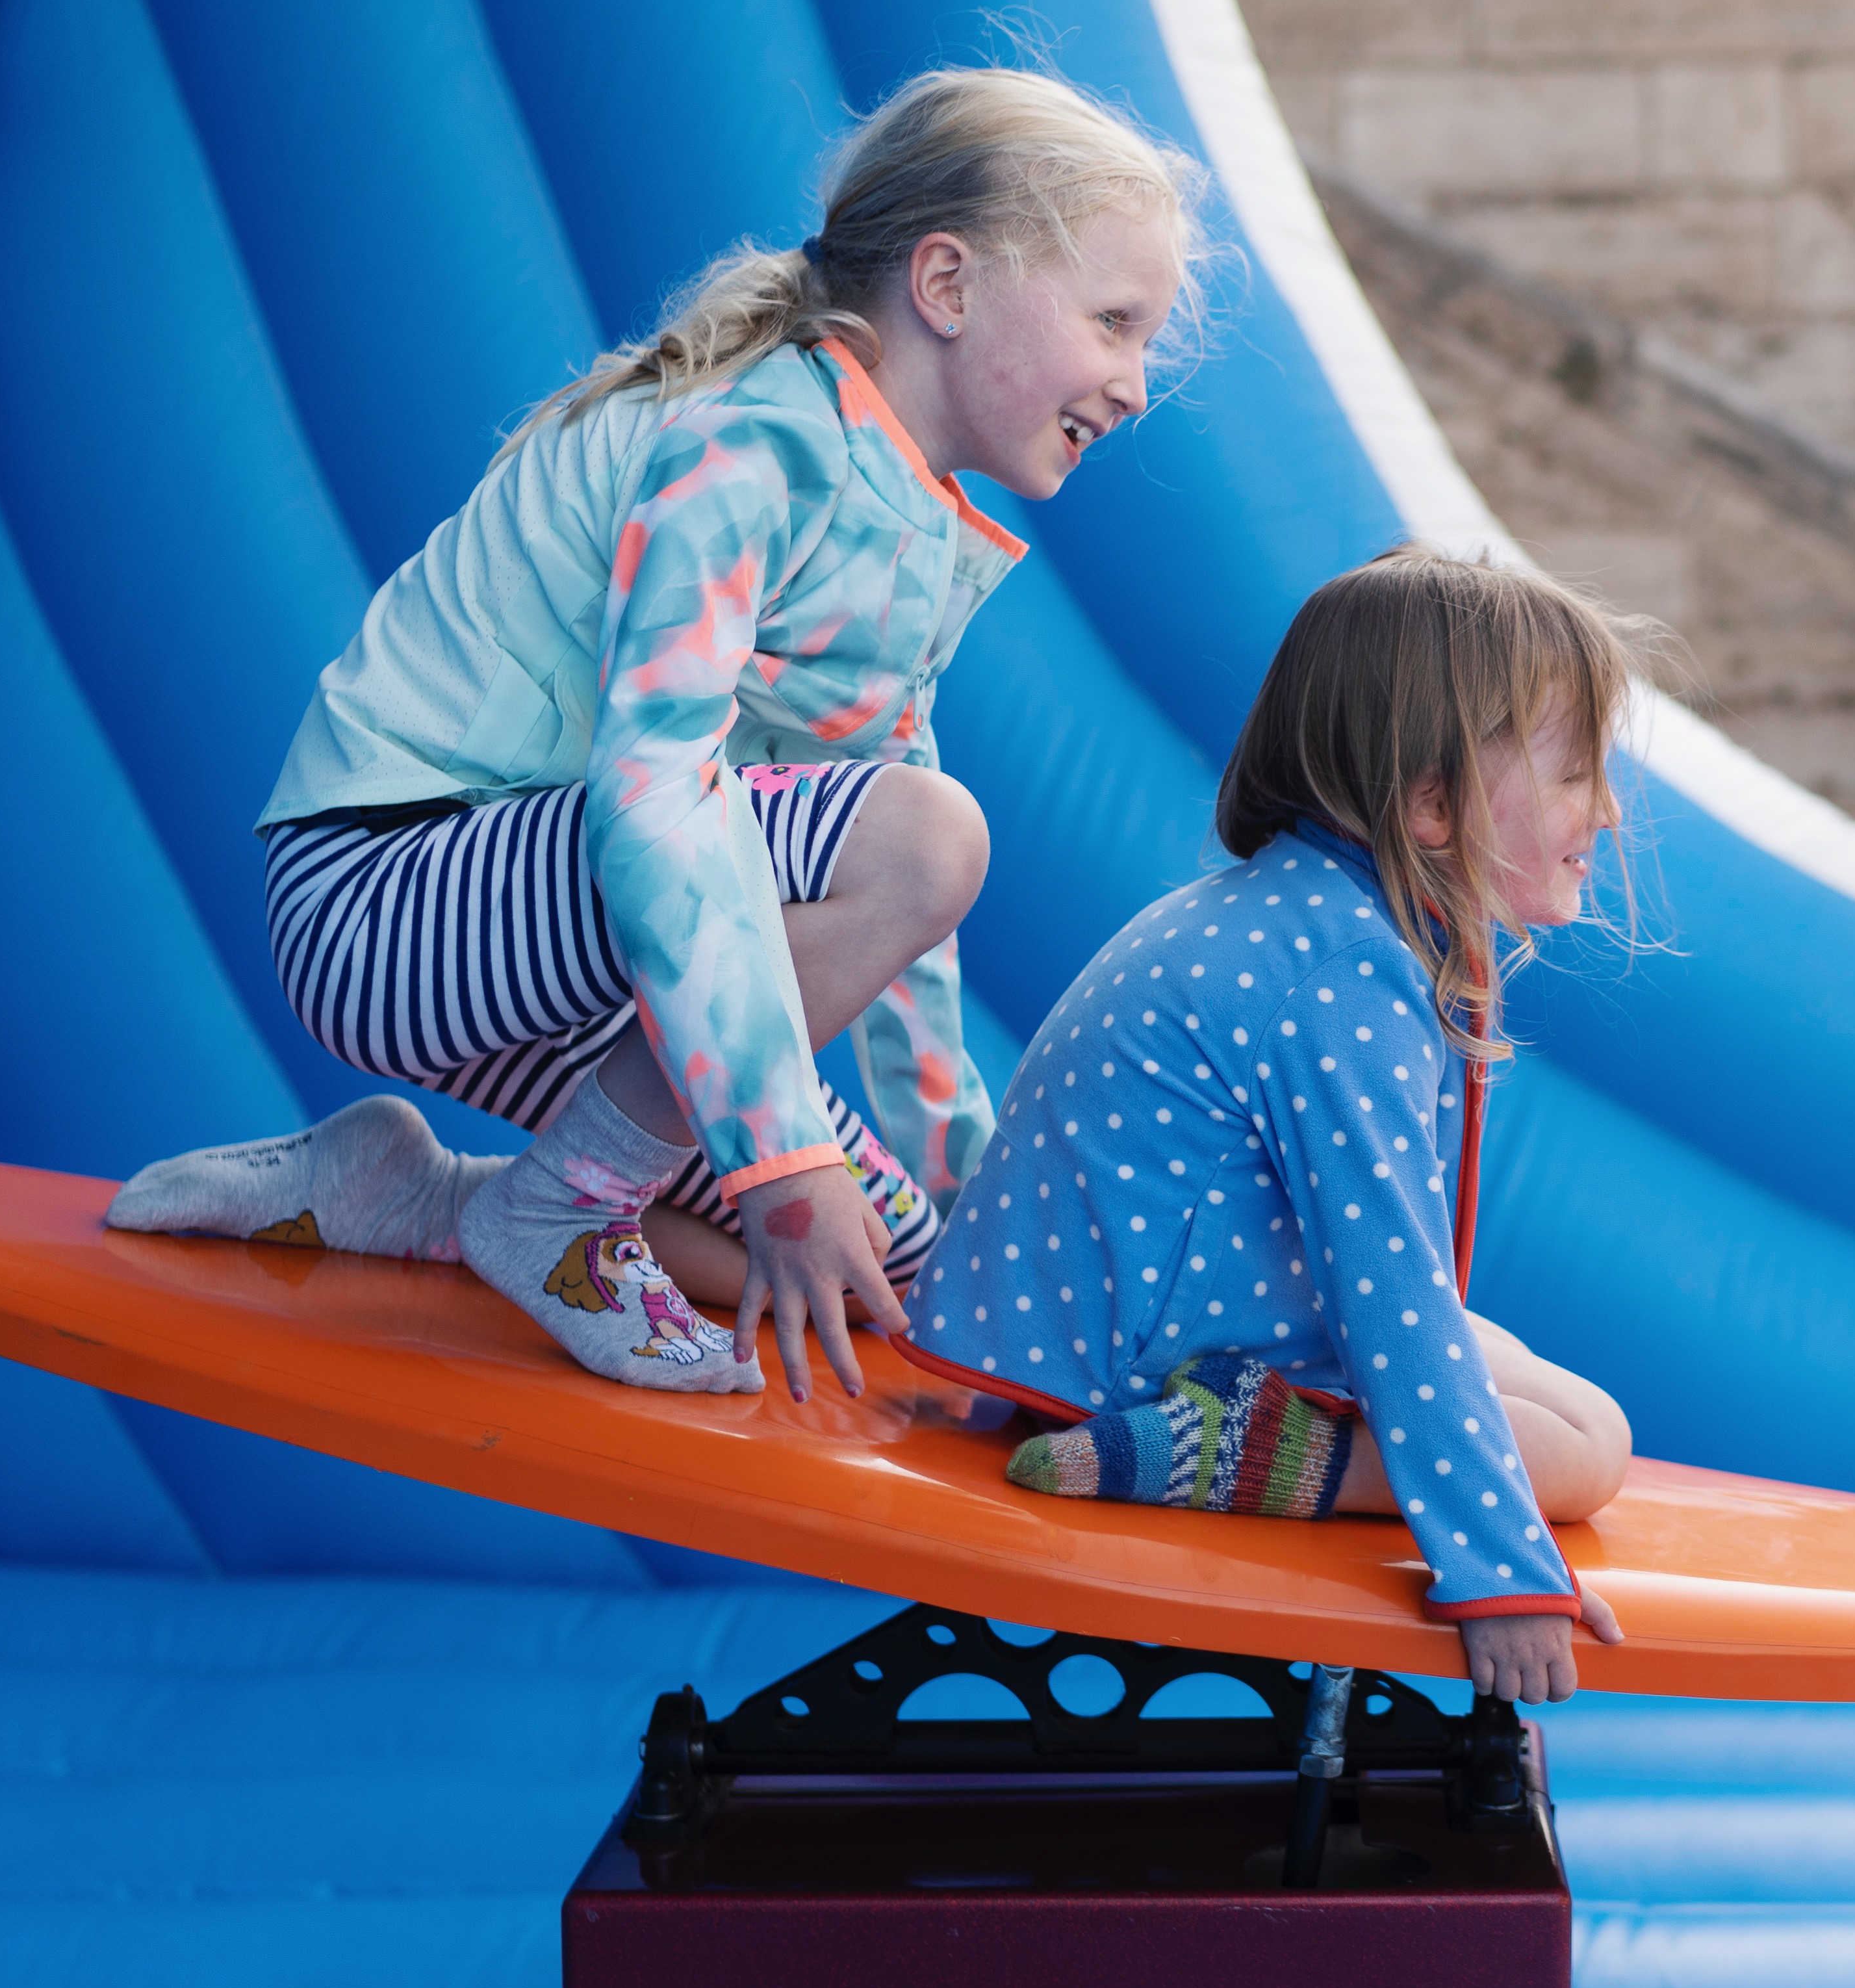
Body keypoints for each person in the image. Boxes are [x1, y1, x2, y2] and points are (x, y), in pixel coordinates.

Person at [108, 68, 1199, 1405]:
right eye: (1115, 323)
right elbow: (665, 794)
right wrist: (781, 1155)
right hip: (390, 897)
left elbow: (896, 923)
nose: (1135, 384)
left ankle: (419, 1195)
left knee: (900, 1271)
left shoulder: (897, 517)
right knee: (925, 845)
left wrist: (955, 1182)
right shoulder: (746, 445)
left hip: (565, 940)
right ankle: (573, 1197)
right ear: (948, 284)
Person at [921, 548, 1641, 1704]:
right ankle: (1236, 1454)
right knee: (1574, 1458)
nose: (1605, 809)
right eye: (1575, 774)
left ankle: (1243, 1436)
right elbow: (1387, 1285)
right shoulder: (1343, 971)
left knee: (1593, 1424)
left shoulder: (1311, 917)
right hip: (1139, 1367)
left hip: (1105, 1325)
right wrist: (1502, 1572)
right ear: (1430, 805)